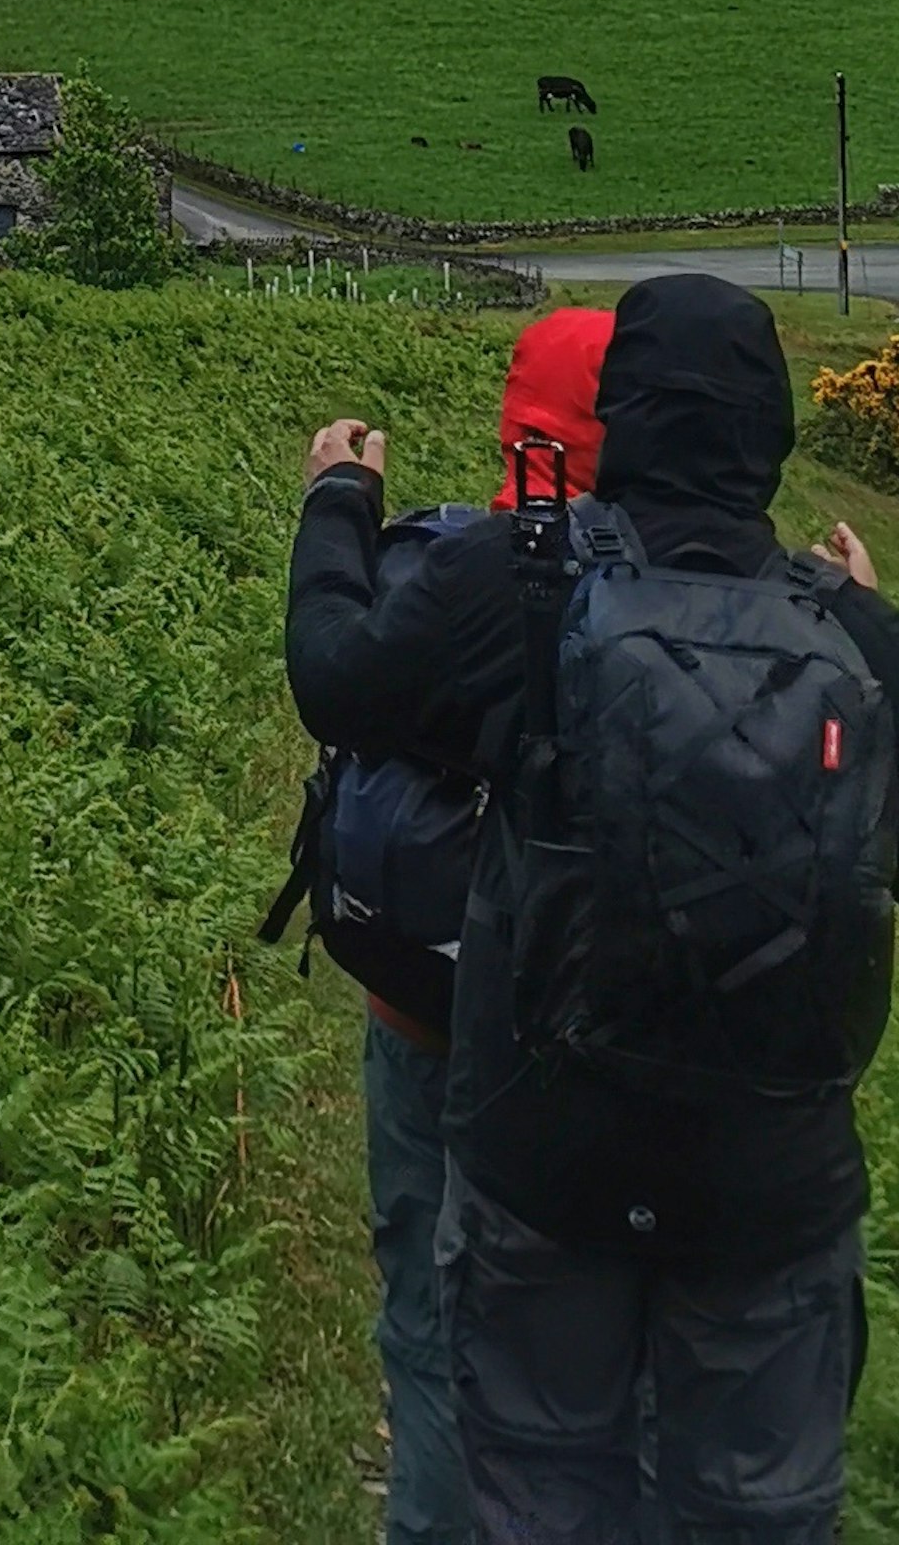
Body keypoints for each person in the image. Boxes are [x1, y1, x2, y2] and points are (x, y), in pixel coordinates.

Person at [287, 275, 899, 1539]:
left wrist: (338, 506)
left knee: (541, 1495)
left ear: (624, 414)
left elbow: (337, 683)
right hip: (770, 1188)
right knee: (745, 1516)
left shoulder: (523, 579)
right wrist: (873, 613)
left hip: (545, 1161)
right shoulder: (858, 635)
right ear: (770, 431)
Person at [272, 305, 617, 1545]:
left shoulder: (462, 565)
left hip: (424, 1013)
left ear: (515, 418)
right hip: (604, 1043)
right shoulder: (687, 585)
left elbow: (331, 673)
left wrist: (338, 504)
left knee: (429, 1329)